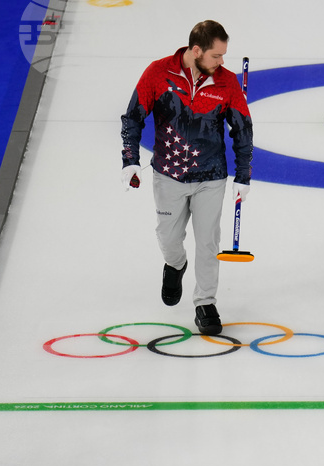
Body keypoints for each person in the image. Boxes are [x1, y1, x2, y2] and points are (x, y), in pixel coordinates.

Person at [120, 20, 253, 335]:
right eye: (216, 55)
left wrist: (243, 175)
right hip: (168, 174)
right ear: (196, 50)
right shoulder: (158, 73)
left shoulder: (226, 82)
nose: (222, 62)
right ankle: (176, 264)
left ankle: (205, 303)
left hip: (211, 176)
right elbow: (133, 117)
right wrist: (130, 160)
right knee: (169, 238)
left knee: (208, 242)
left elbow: (243, 128)